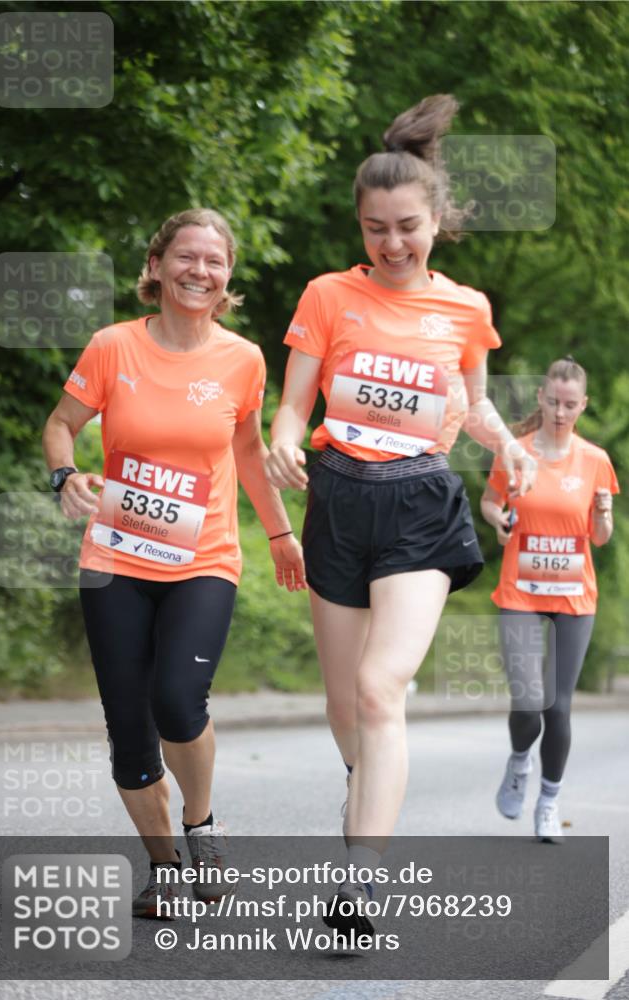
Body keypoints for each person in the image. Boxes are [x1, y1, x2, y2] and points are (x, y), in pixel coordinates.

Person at [265, 94, 536, 937]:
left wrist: (509, 446)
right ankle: (367, 804)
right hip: (338, 500)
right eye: (375, 229)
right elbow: (291, 405)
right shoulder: (326, 297)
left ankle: (360, 884)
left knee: (382, 690)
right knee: (345, 704)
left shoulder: (465, 309)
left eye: (406, 227)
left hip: (420, 501)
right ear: (358, 225)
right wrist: (281, 442)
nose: (391, 244)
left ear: (435, 221)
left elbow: (475, 406)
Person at [42, 208, 306, 918]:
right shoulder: (112, 347)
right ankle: (162, 867)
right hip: (115, 557)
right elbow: (62, 424)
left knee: (177, 703)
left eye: (214, 262)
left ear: (227, 278)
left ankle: (201, 823)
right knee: (128, 726)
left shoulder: (242, 359)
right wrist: (65, 477)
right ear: (155, 266)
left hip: (203, 558)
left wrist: (280, 534)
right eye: (186, 257)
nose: (200, 271)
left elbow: (247, 451)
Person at [481, 357, 618, 843]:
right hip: (520, 589)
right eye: (553, 402)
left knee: (557, 708)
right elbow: (491, 500)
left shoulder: (596, 461)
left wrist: (604, 515)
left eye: (570, 405)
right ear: (541, 398)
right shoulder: (516, 452)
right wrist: (498, 519)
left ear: (583, 405)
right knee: (526, 700)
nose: (561, 412)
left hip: (574, 598)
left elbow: (600, 537)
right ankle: (519, 761)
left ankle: (550, 800)